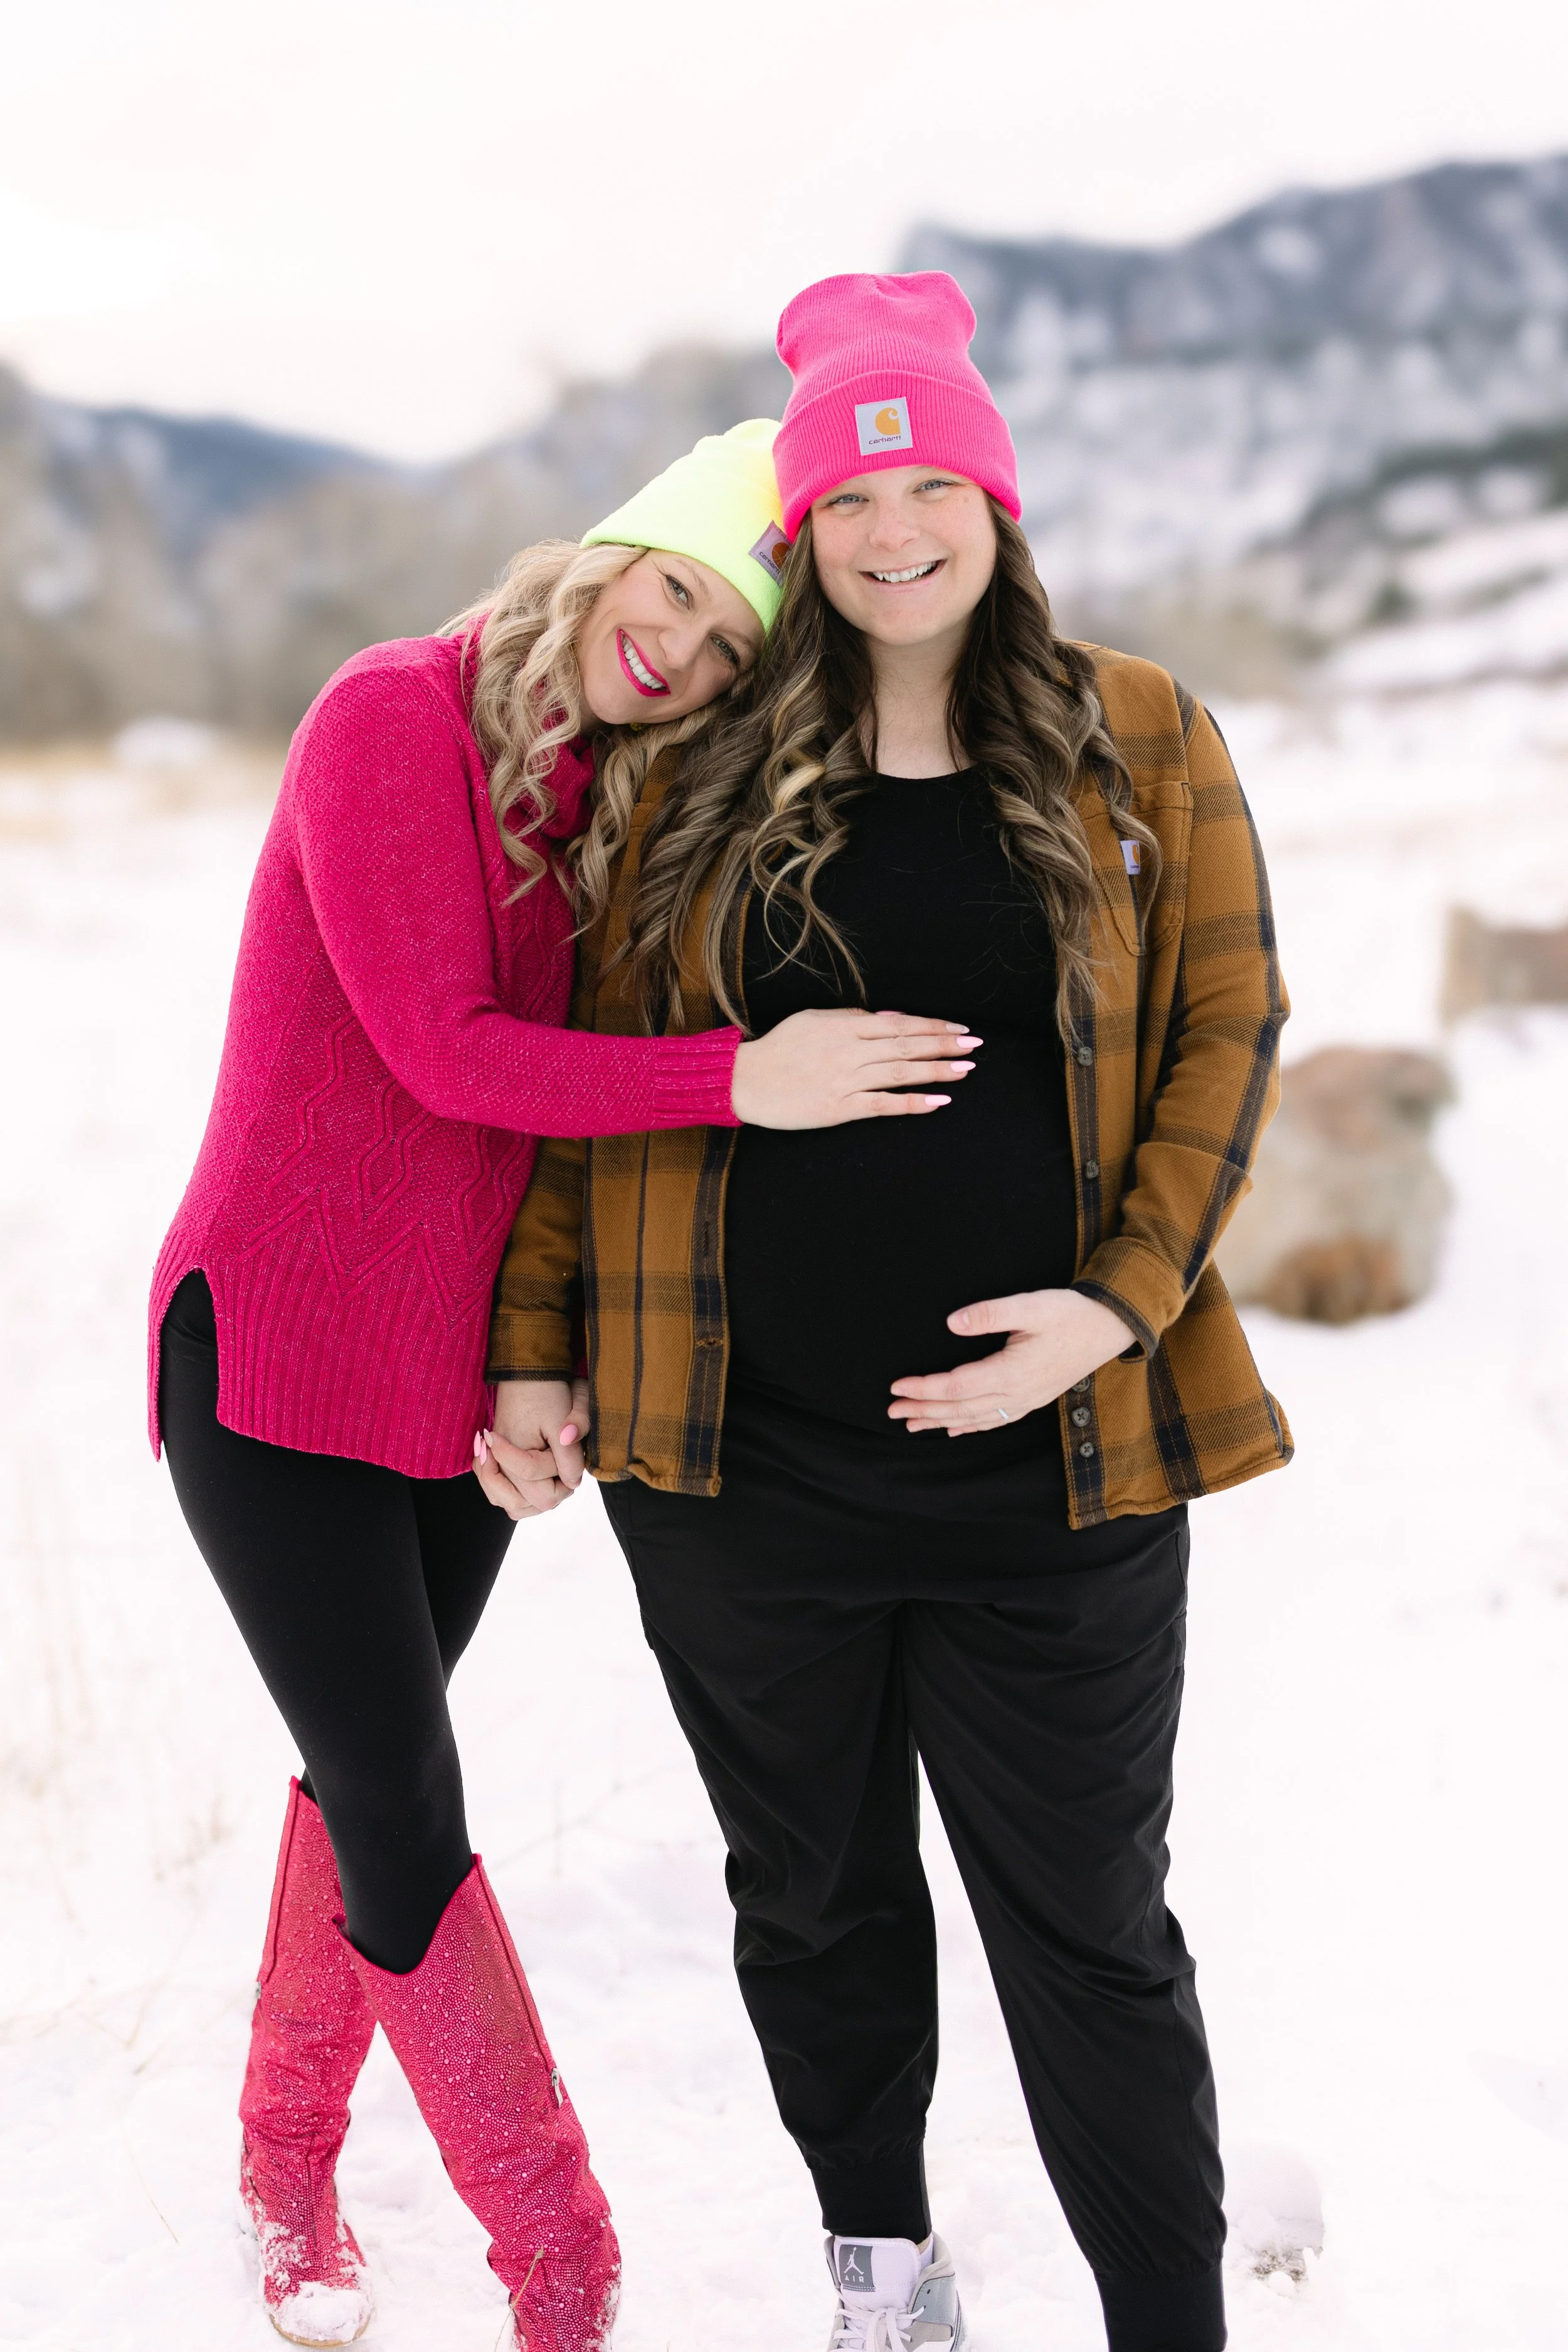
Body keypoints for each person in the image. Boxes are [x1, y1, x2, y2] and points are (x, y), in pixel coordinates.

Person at [479, 278, 1292, 2352]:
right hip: (741, 1473)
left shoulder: (1142, 734)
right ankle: (882, 2270)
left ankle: (1164, 2317)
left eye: (934, 480)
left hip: (1061, 1470)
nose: (895, 525)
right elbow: (597, 1085)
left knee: (1091, 1929)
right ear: (806, 530)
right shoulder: (701, 771)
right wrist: (536, 1341)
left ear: (995, 506)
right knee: (815, 1901)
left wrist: (1110, 1309)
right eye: (853, 492)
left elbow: (1224, 1034)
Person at [149, 417, 978, 2352]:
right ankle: (562, 2260)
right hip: (266, 1349)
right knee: (401, 1788)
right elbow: (447, 1052)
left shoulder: (618, 794)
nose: (673, 646)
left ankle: (283, 2151)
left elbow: (539, 1139)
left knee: (362, 1772)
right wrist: (738, 1073)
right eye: (672, 587)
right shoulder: (390, 716)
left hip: (440, 1384)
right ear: (607, 556)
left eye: (719, 641)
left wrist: (536, 1361)